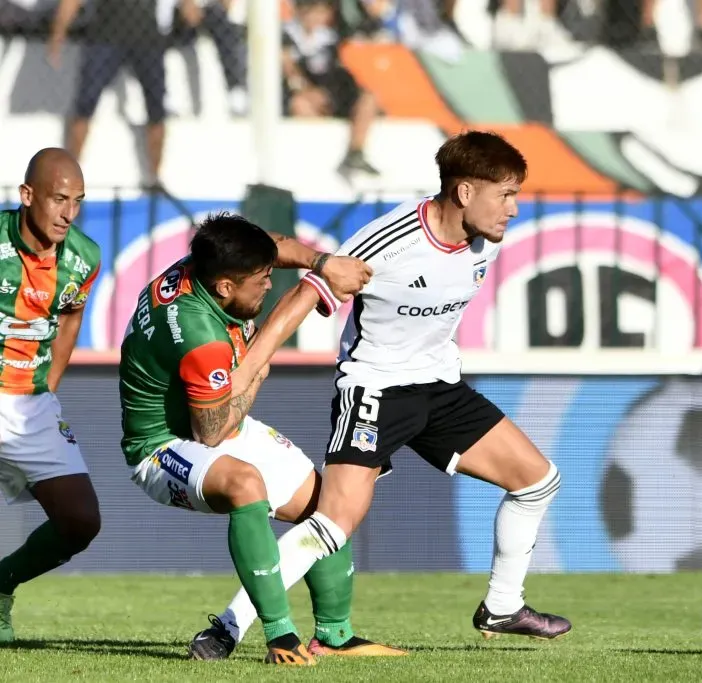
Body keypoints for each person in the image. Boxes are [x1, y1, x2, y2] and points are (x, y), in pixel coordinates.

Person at [228, 130, 572, 640]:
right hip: (375, 390)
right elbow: (303, 295)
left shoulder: (485, 242)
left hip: (440, 387)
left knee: (538, 480)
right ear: (465, 193)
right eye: (506, 195)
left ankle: (502, 606)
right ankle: (228, 627)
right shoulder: (388, 242)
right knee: (332, 526)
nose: (514, 209)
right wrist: (249, 368)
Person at [118, 213, 404, 665]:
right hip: (164, 445)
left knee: (328, 506)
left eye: (270, 275)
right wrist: (258, 365)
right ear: (226, 288)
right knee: (244, 483)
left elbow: (272, 244)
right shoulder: (199, 335)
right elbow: (211, 433)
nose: (269, 285)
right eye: (261, 280)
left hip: (215, 416)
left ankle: (334, 633)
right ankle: (280, 636)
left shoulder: (208, 265)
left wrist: (321, 261)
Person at [0, 148, 102, 643]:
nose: (68, 213)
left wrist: (48, 390)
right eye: (59, 200)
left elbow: (70, 319)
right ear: (27, 195)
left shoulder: (84, 257)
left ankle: (0, 586)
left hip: (31, 403)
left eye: (78, 202)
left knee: (80, 521)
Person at [48, 0, 192, 186]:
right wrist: (58, 33)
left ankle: (155, 180)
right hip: (105, 36)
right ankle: (69, 180)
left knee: (157, 108)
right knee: (85, 104)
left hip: (146, 38)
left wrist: (189, 6)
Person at [282, 0, 380, 179]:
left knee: (368, 99)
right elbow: (289, 70)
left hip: (331, 92)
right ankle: (319, 162)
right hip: (303, 93)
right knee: (300, 105)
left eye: (323, 12)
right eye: (315, 12)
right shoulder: (286, 35)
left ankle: (355, 153)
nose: (320, 17)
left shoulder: (331, 37)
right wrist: (305, 89)